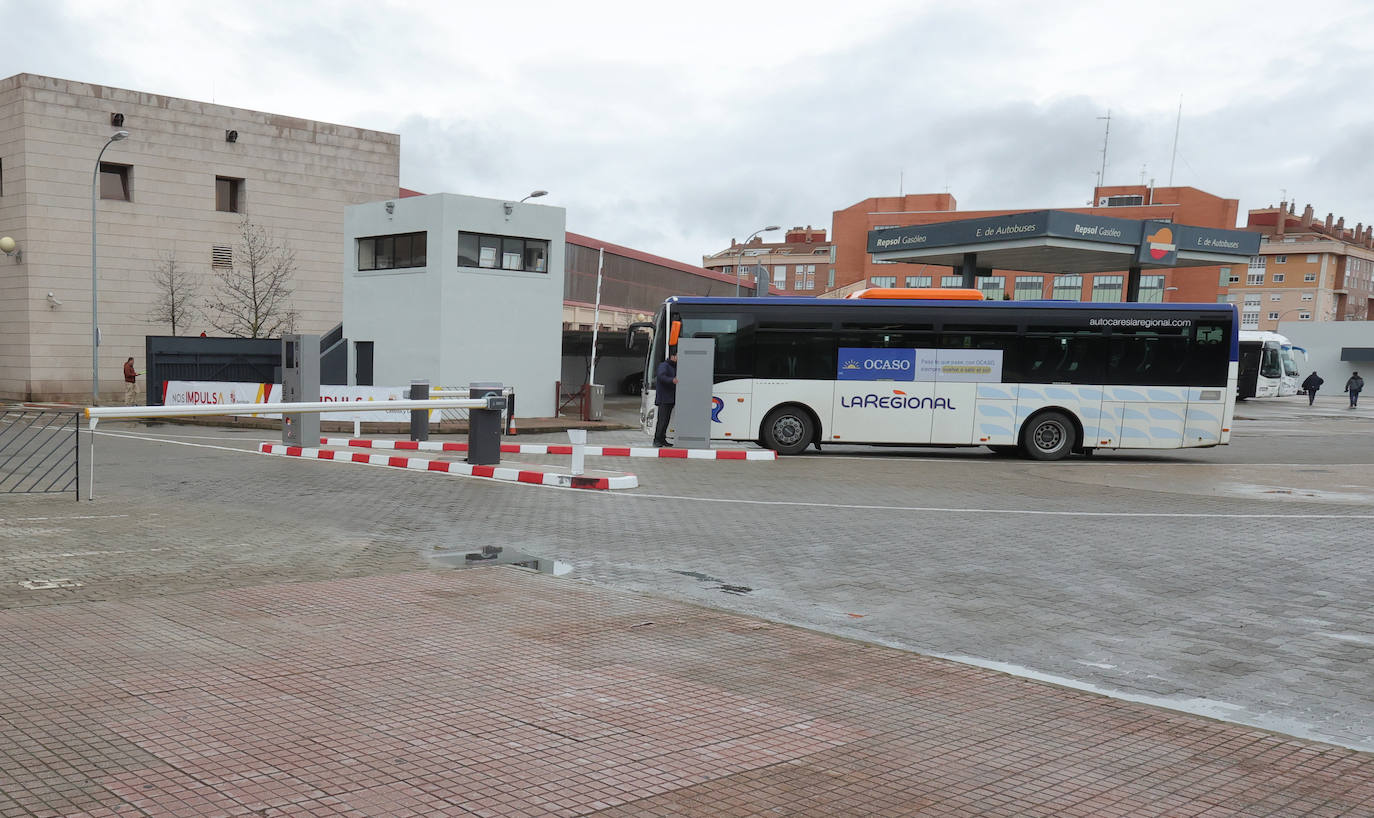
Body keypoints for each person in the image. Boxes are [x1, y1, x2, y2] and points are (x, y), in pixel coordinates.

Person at [651, 350, 678, 447]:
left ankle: (662, 439)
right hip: (664, 398)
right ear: (673, 356)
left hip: (670, 398)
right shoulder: (664, 365)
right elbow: (661, 377)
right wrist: (672, 380)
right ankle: (657, 440)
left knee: (666, 420)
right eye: (678, 356)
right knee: (662, 420)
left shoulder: (674, 367)